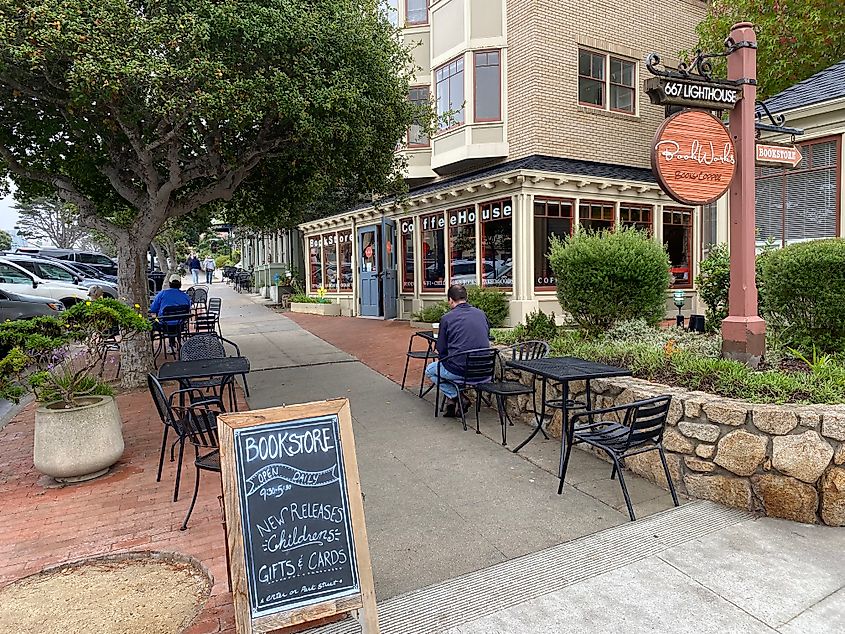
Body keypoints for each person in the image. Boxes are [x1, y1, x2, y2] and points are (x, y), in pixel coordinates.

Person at [425, 284, 491, 417]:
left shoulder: (447, 318)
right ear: (466, 297)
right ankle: (453, 401)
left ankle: (457, 397)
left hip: (461, 370)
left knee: (431, 370)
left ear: (450, 300)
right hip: (485, 371)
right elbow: (486, 335)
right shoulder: (481, 314)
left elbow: (441, 349)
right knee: (451, 365)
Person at [150, 276, 191, 353]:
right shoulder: (185, 296)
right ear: (180, 284)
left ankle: (152, 349)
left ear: (169, 284)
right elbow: (188, 310)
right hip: (180, 325)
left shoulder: (162, 294)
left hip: (164, 326)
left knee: (151, 324)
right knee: (175, 319)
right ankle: (176, 343)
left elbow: (153, 309)